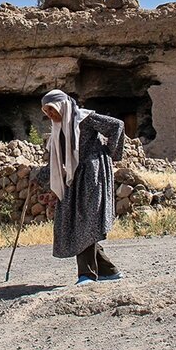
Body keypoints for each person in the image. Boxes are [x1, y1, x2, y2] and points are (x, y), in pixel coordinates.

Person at [34, 89, 126, 286]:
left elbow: (117, 126)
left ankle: (86, 275)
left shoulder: (84, 118)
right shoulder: (58, 130)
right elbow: (57, 161)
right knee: (76, 222)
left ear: (62, 105)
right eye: (46, 112)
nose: (50, 115)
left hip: (92, 175)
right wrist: (38, 177)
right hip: (73, 179)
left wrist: (108, 154)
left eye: (52, 109)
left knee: (85, 221)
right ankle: (109, 271)